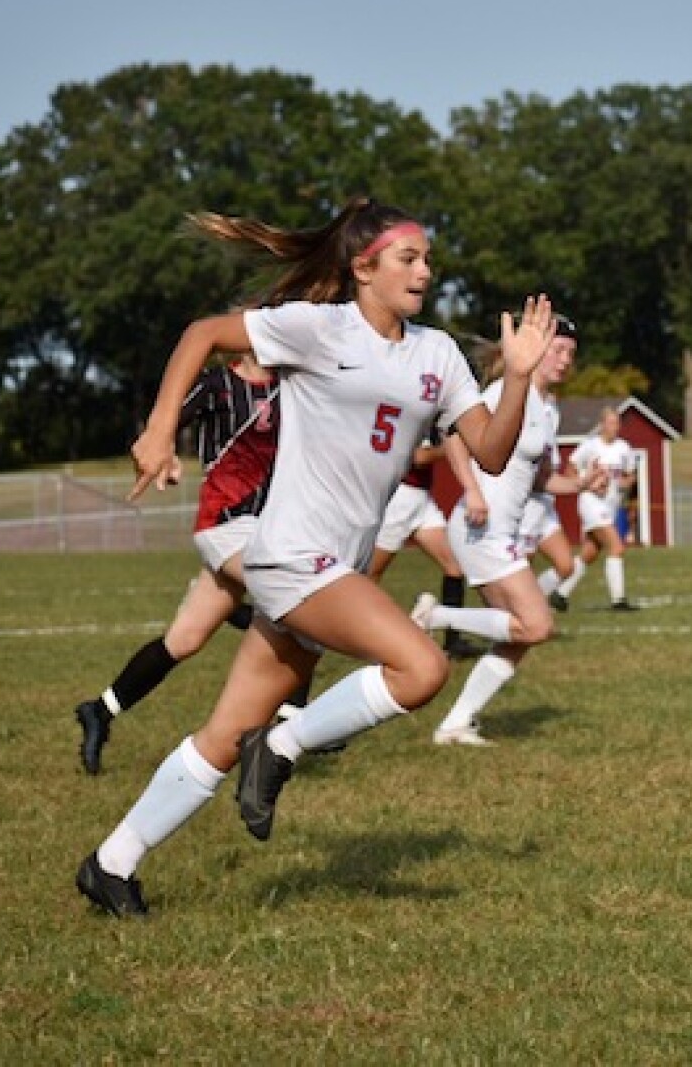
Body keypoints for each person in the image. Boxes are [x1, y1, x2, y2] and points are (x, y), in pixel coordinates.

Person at [74, 199, 555, 918]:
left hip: (336, 566)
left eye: (428, 259)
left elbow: (489, 451)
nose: (425, 270)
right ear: (363, 269)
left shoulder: (437, 355)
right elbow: (204, 333)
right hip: (295, 557)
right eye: (408, 258)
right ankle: (286, 744)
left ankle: (111, 864)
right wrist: (160, 427)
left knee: (223, 738)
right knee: (421, 668)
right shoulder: (317, 327)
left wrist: (517, 378)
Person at [74, 356, 304, 775]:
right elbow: (158, 429)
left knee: (185, 639)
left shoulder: (289, 385)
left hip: (264, 527)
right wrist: (164, 457)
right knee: (301, 607)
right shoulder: (217, 382)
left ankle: (100, 710)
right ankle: (288, 735)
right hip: (224, 525)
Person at [413, 316, 601, 746]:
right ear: (531, 347)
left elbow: (539, 481)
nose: (564, 359)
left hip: (503, 533)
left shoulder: (547, 410)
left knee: (519, 637)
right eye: (557, 349)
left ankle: (456, 723)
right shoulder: (503, 393)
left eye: (570, 353)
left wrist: (580, 484)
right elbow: (454, 432)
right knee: (537, 626)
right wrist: (472, 490)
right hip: (481, 528)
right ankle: (435, 616)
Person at [366, 436, 474, 658]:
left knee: (454, 566)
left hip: (422, 499)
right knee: (371, 574)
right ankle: (363, 633)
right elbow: (419, 457)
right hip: (401, 496)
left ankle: (453, 640)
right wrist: (450, 448)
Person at [549, 405, 638, 611]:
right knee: (616, 546)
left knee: (591, 552)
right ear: (602, 425)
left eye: (617, 423)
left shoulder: (623, 448)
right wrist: (586, 483)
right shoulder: (590, 446)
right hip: (591, 502)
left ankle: (560, 594)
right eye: (611, 423)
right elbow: (569, 470)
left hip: (610, 504)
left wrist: (626, 482)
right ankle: (618, 600)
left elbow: (630, 475)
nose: (615, 427)